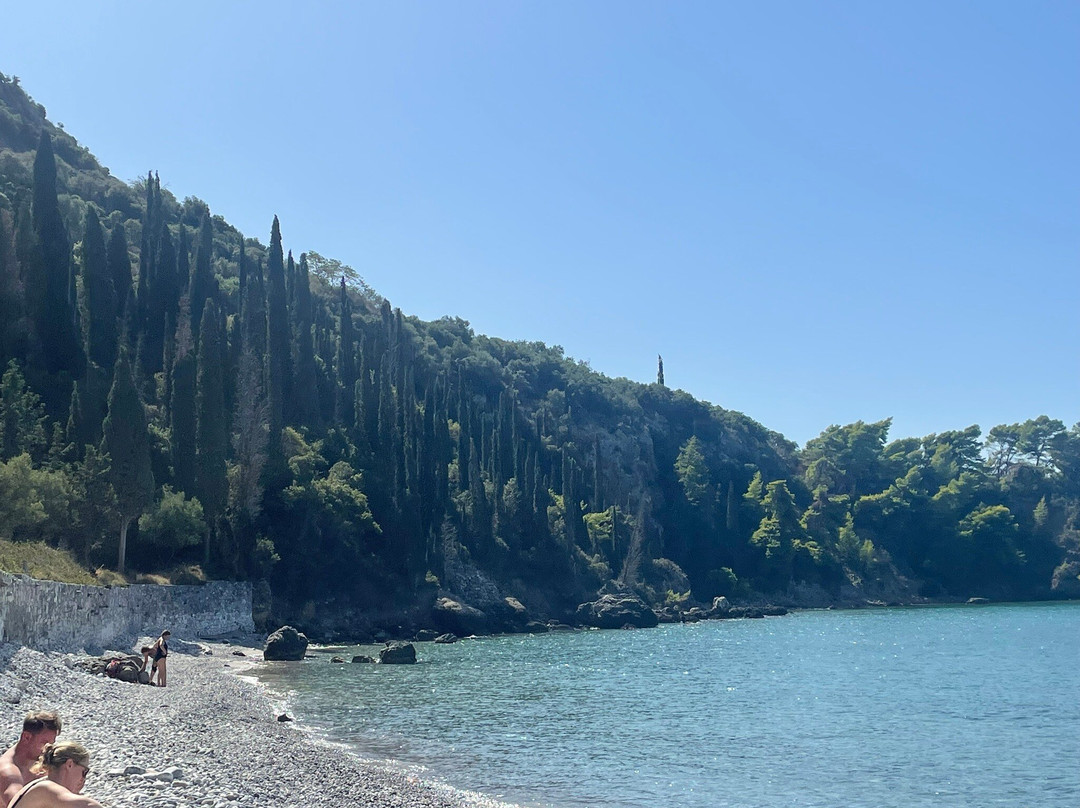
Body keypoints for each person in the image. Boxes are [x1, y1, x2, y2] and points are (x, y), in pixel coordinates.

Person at [4, 741, 101, 808]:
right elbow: (88, 806)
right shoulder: (47, 788)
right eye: (84, 772)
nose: (83, 779)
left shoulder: (41, 785)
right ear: (70, 764)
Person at [0, 713, 61, 808]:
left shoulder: (39, 759)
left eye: (51, 744)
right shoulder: (8, 771)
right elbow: (17, 805)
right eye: (45, 743)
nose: (49, 749)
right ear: (26, 737)